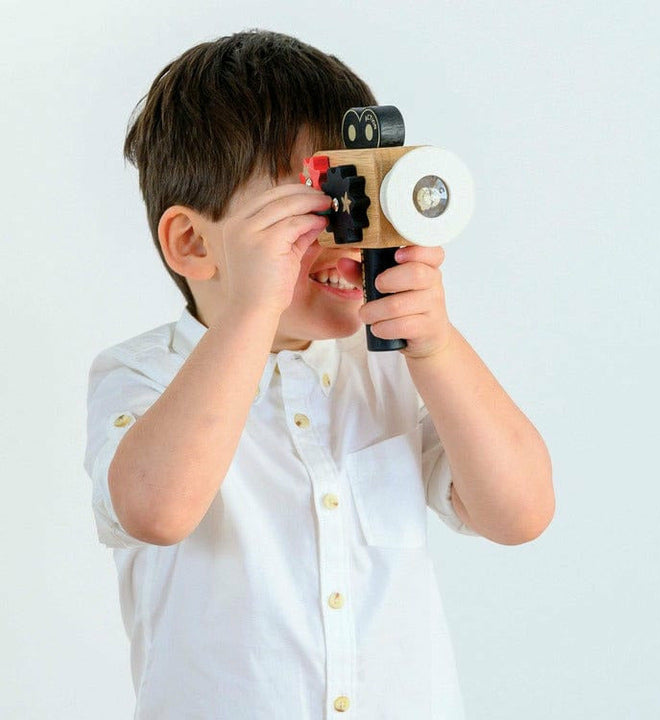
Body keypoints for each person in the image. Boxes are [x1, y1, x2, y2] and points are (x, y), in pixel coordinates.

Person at [84, 29, 554, 720]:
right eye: (314, 204)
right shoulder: (142, 373)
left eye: (361, 196)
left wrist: (437, 348)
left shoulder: (387, 369)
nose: (347, 233)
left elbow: (520, 515)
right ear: (193, 243)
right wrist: (254, 309)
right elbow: (157, 510)